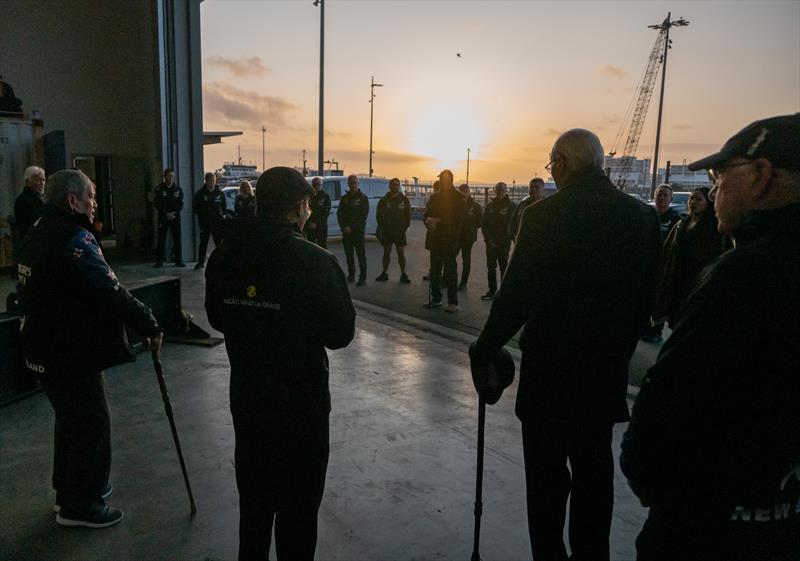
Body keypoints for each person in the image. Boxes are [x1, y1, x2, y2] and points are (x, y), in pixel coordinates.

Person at [470, 129, 661, 561]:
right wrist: (616, 350)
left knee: (546, 482)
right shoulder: (642, 217)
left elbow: (515, 296)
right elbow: (646, 303)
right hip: (602, 375)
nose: (550, 173)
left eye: (551, 165)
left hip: (549, 378)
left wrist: (484, 348)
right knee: (595, 476)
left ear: (565, 162)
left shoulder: (541, 216)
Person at [621, 114, 800, 561]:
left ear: (762, 176)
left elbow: (670, 396)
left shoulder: (743, 275)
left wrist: (641, 470)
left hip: (710, 525)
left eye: (721, 175)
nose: (714, 189)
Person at [205, 166, 355, 561]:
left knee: (253, 514)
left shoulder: (224, 256)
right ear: (300, 207)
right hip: (300, 413)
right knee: (298, 517)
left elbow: (217, 318)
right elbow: (341, 334)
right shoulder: (316, 262)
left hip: (249, 406)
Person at [17, 169, 162, 528]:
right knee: (92, 422)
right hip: (68, 351)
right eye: (91, 198)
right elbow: (109, 289)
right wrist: (149, 322)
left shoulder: (38, 229)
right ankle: (81, 505)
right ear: (72, 201)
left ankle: (67, 490)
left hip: (42, 346)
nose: (95, 204)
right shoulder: (74, 238)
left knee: (71, 420)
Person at [651, 187, 729, 328]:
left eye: (698, 199)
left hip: (699, 282)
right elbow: (670, 251)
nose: (692, 202)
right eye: (691, 198)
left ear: (708, 203)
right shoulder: (682, 224)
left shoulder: (715, 228)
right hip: (678, 279)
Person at [641, 184, 682, 342]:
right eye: (660, 195)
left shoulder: (675, 220)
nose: (662, 198)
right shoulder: (647, 215)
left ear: (671, 199)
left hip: (663, 267)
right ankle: (643, 327)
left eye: (665, 195)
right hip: (646, 264)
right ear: (654, 196)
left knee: (659, 300)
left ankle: (655, 331)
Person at [423, 169, 464, 312]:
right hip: (436, 238)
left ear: (451, 180)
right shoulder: (435, 197)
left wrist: (437, 220)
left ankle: (453, 302)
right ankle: (436, 298)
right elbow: (427, 213)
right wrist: (427, 221)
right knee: (435, 269)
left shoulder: (458, 197)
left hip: (450, 239)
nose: (441, 181)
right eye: (440, 179)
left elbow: (456, 219)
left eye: (444, 179)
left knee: (450, 271)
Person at [481, 182, 516, 300]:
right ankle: (492, 291)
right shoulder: (490, 206)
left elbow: (513, 225)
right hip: (490, 243)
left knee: (503, 268)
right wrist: (487, 239)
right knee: (490, 267)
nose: (500, 192)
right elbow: (484, 224)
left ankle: (504, 292)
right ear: (495, 191)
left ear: (506, 191)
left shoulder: (511, 206)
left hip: (503, 243)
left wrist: (508, 239)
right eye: (498, 190)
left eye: (502, 190)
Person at [375, 178, 411, 283]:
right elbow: (378, 215)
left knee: (401, 253)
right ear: (389, 186)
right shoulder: (384, 200)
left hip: (399, 232)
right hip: (387, 231)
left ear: (399, 186)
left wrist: (405, 227)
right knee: (386, 253)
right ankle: (384, 273)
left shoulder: (404, 200)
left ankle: (403, 274)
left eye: (397, 185)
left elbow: (408, 215)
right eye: (393, 184)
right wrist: (382, 227)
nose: (395, 186)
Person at [337, 174, 369, 286]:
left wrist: (352, 228)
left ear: (358, 183)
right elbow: (340, 214)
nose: (353, 185)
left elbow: (363, 216)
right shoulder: (344, 198)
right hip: (346, 232)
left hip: (358, 232)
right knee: (349, 254)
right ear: (348, 184)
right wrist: (344, 227)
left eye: (355, 182)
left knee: (361, 255)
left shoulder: (363, 198)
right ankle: (351, 275)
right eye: (351, 183)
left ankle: (363, 277)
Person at [193, 172, 228, 269]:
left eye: (213, 180)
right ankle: (200, 262)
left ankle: (221, 262)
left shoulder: (220, 194)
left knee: (219, 244)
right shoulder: (200, 194)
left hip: (217, 223)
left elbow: (224, 208)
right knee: (203, 243)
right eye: (210, 180)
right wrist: (202, 216)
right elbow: (195, 207)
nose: (212, 182)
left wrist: (222, 216)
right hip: (205, 224)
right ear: (206, 181)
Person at [153, 168, 185, 268]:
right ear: (164, 177)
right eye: (168, 176)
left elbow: (181, 204)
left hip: (175, 218)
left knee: (177, 240)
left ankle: (178, 261)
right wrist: (166, 213)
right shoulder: (159, 189)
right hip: (163, 218)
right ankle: (159, 261)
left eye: (172, 176)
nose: (170, 178)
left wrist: (173, 213)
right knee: (161, 239)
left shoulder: (178, 189)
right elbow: (157, 204)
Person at [457, 183, 482, 291]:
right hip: (456, 236)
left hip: (468, 238)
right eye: (462, 191)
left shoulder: (476, 206)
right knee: (450, 258)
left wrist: (471, 229)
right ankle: (447, 279)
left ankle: (463, 283)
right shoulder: (454, 205)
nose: (464, 193)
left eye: (466, 190)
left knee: (466, 260)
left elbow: (479, 222)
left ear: (469, 192)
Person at [14, 165, 46, 240]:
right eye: (38, 180)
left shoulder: (41, 197)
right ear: (27, 181)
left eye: (43, 180)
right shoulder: (22, 200)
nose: (42, 183)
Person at [304, 177, 332, 248]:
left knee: (322, 248)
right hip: (310, 227)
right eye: (314, 184)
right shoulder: (308, 196)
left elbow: (325, 213)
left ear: (321, 185)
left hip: (321, 227)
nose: (316, 186)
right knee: (311, 248)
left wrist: (316, 223)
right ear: (312, 185)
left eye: (318, 184)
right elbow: (305, 211)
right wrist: (309, 223)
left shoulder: (325, 196)